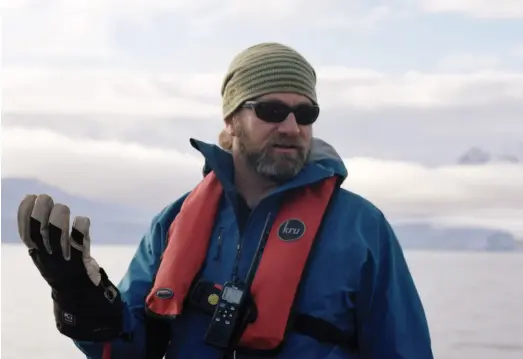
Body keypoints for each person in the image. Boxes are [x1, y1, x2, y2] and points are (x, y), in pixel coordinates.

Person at [17, 42, 434, 359]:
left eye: (306, 114)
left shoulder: (362, 228)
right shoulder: (174, 221)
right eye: (271, 110)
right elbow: (126, 349)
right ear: (232, 119)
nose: (291, 126)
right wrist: (80, 297)